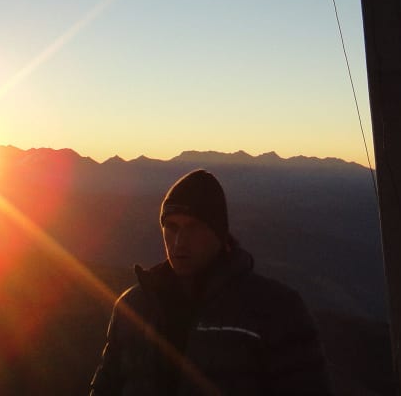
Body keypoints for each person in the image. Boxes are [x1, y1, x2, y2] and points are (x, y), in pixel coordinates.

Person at [90, 169, 332, 395]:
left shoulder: (277, 311)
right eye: (171, 227)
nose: (179, 242)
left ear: (219, 233)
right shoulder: (132, 307)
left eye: (193, 227)